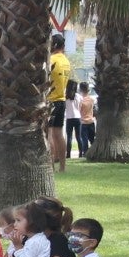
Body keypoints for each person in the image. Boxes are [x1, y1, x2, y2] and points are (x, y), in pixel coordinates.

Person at [46, 33, 72, 171]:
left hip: (50, 100)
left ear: (54, 45)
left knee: (49, 134)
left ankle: (50, 166)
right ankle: (62, 166)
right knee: (59, 134)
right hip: (61, 100)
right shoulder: (66, 62)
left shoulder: (51, 60)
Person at [76, 83, 96, 157]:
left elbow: (78, 111)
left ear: (80, 90)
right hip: (91, 121)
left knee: (84, 140)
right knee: (92, 139)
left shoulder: (81, 100)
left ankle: (85, 153)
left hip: (83, 122)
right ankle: (94, 152)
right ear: (88, 90)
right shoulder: (92, 100)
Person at [63, 86, 82, 159]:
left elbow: (65, 107)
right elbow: (80, 105)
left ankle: (68, 154)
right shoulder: (78, 96)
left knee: (69, 137)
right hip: (77, 117)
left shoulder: (66, 96)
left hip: (69, 118)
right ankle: (80, 154)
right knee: (78, 137)